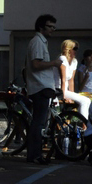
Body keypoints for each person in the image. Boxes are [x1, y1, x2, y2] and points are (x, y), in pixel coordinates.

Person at [25, 15, 62, 164]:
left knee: (39, 122)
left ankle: (35, 154)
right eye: (50, 26)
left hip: (42, 86)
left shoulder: (41, 42)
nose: (53, 29)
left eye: (54, 27)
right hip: (40, 87)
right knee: (38, 123)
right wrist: (54, 63)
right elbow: (36, 64)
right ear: (41, 27)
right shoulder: (37, 42)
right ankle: (34, 156)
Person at [54, 40, 91, 119]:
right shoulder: (62, 59)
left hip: (65, 90)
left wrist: (72, 95)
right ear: (68, 49)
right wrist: (63, 96)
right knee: (85, 101)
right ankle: (84, 124)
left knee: (87, 100)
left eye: (77, 49)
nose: (76, 51)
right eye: (75, 49)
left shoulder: (74, 61)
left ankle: (83, 123)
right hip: (58, 90)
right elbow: (63, 79)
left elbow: (71, 80)